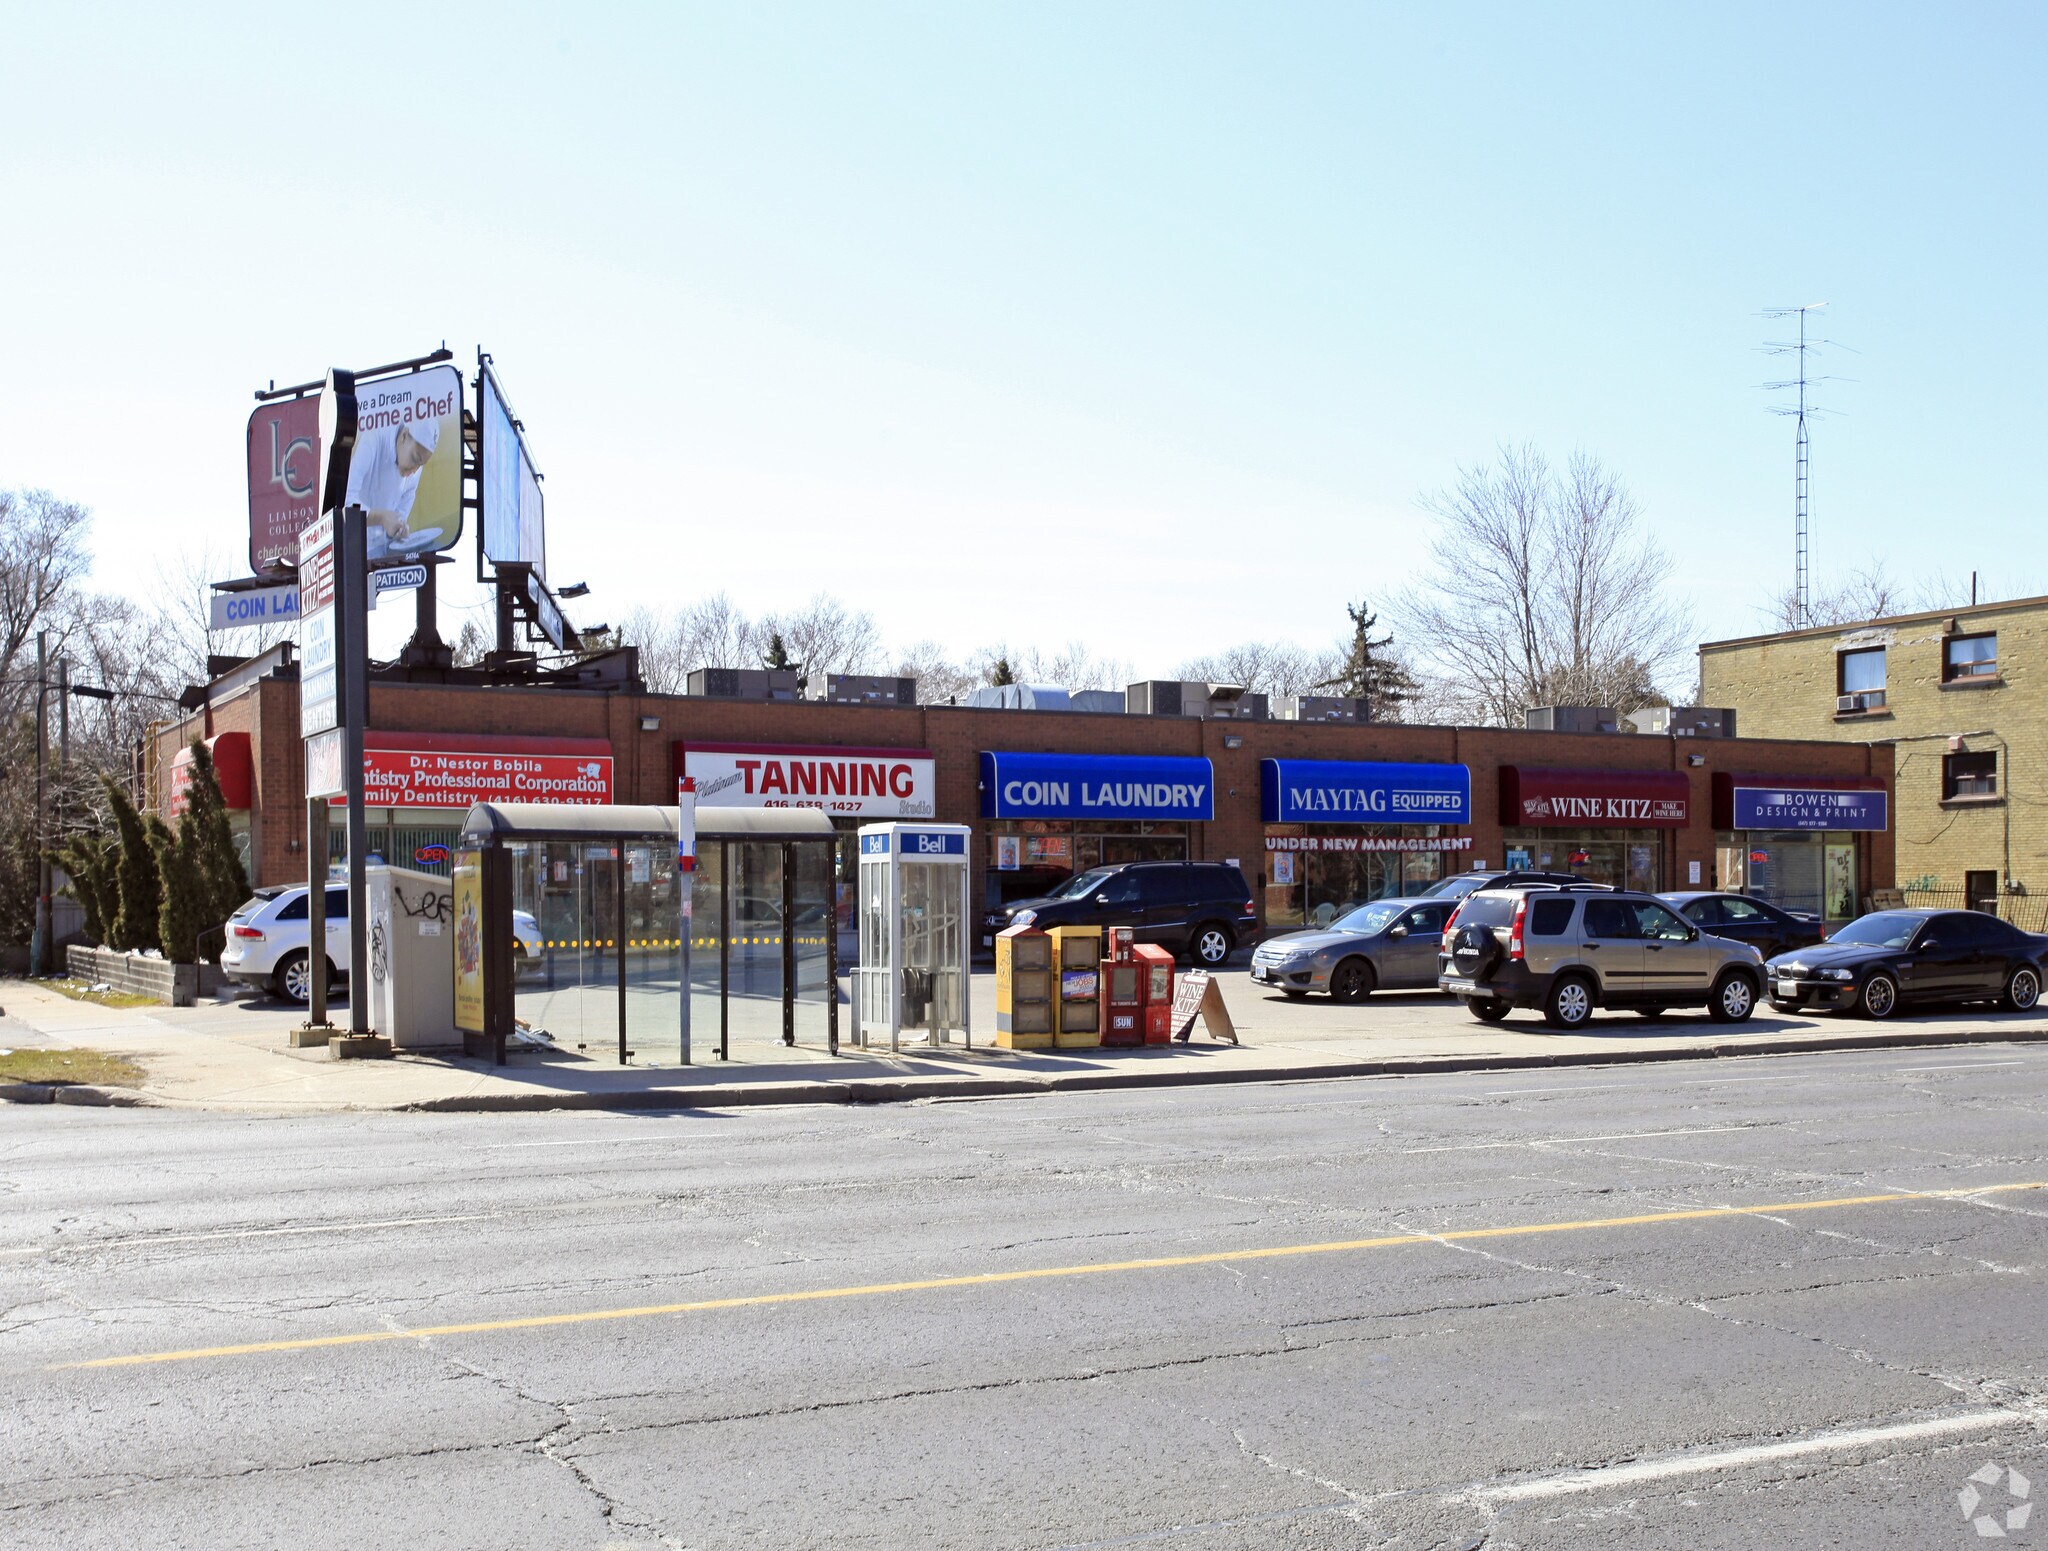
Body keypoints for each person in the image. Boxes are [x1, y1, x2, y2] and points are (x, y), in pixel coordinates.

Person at [345, 414, 442, 560]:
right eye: (415, 459)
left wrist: (399, 530)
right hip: (349, 550)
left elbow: (399, 519)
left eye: (420, 464)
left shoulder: (415, 471)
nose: (415, 470)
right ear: (403, 436)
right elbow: (345, 502)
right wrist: (381, 517)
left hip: (379, 558)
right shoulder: (373, 439)